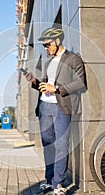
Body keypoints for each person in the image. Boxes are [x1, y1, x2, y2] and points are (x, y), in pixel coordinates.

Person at [23, 27, 87, 195]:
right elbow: (45, 86)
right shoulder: (48, 62)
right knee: (48, 145)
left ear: (58, 41)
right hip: (45, 106)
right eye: (44, 45)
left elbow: (81, 83)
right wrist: (34, 81)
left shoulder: (74, 59)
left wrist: (57, 88)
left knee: (61, 144)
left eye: (48, 44)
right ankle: (49, 181)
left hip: (62, 106)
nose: (46, 48)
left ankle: (58, 184)